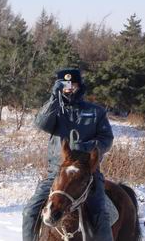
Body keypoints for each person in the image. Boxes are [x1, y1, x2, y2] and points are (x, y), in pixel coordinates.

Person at [22, 68, 114, 241]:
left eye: (72, 83)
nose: (68, 87)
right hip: (57, 173)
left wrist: (87, 147)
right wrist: (53, 97)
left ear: (79, 85)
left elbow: (106, 139)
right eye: (63, 84)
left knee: (100, 214)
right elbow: (41, 123)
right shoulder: (55, 110)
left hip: (87, 174)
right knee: (29, 211)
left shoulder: (96, 112)